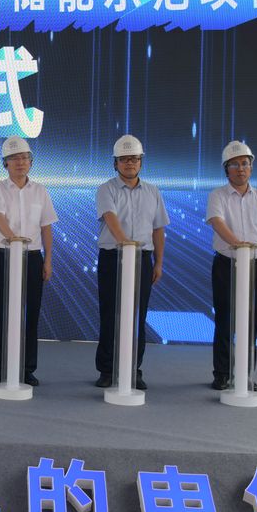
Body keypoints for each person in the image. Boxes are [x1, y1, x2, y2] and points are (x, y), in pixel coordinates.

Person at [94, 135, 169, 390]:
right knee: (110, 313)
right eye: (124, 159)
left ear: (141, 162)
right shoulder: (106, 189)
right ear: (115, 163)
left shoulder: (153, 191)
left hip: (142, 258)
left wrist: (158, 262)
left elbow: (158, 229)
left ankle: (133, 369)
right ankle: (107, 369)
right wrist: (126, 243)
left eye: (134, 159)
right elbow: (110, 217)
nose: (129, 163)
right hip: (113, 257)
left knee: (138, 315)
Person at [205, 141, 257, 390]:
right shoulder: (217, 196)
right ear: (226, 169)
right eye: (235, 164)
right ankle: (222, 373)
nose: (241, 169)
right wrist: (238, 245)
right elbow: (217, 222)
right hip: (227, 264)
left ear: (251, 167)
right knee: (225, 320)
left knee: (252, 322)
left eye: (245, 164)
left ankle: (246, 375)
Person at [0, 136, 57, 387]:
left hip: (32, 257)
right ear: (5, 163)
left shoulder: (40, 191)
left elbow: (46, 226)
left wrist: (48, 260)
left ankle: (27, 368)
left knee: (31, 313)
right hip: (4, 255)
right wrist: (14, 239)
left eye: (25, 158)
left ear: (31, 161)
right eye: (14, 158)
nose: (20, 162)